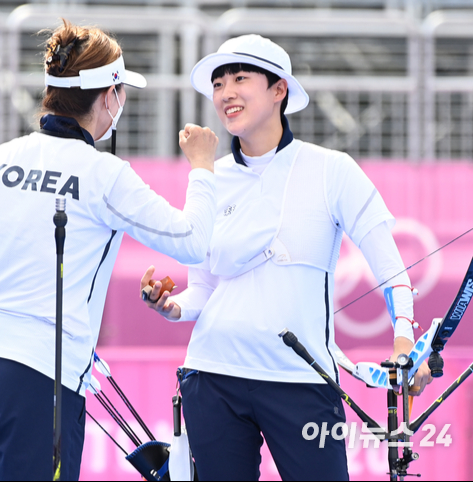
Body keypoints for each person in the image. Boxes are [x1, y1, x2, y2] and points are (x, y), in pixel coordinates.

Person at [0, 20, 218, 481]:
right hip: (37, 380)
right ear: (109, 95)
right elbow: (193, 243)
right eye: (122, 91)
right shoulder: (103, 173)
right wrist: (203, 168)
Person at [140, 34, 433, 481]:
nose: (226, 93)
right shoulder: (208, 177)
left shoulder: (331, 169)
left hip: (303, 381)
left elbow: (393, 268)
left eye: (240, 78)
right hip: (212, 376)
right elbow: (203, 289)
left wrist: (404, 342)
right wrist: (171, 306)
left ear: (280, 90)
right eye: (218, 84)